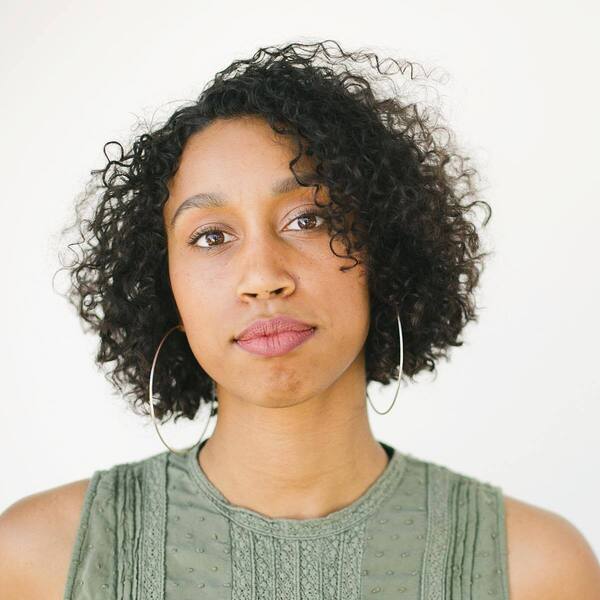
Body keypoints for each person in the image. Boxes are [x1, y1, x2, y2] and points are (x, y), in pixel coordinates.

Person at [1, 39, 599, 600]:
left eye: (307, 220)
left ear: (383, 253)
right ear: (165, 288)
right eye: (211, 236)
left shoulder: (536, 569)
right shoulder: (40, 561)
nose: (263, 276)